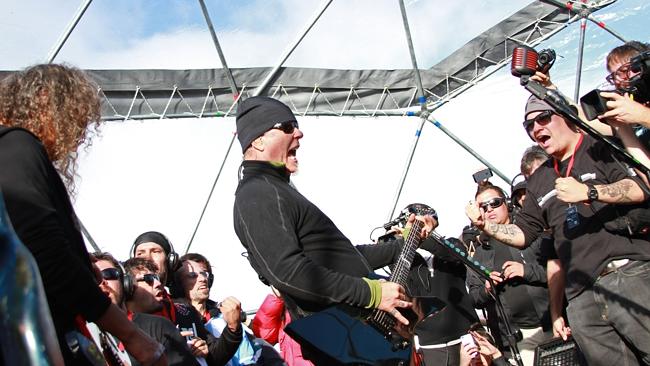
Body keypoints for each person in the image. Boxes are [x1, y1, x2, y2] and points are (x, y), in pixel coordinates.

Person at [232, 96, 436, 364]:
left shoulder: (276, 190)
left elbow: (347, 257)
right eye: (287, 126)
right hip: (348, 341)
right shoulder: (257, 193)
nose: (299, 132)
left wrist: (406, 243)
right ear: (258, 140)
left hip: (365, 336)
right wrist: (372, 294)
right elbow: (288, 272)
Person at [466, 94, 650, 365]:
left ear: (565, 116)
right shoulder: (540, 179)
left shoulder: (595, 146)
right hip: (580, 296)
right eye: (529, 126)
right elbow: (523, 234)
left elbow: (640, 188)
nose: (537, 129)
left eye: (543, 118)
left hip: (625, 274)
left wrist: (589, 191)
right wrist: (486, 226)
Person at [0, 64, 164, 365]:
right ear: (46, 102)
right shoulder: (16, 145)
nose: (78, 136)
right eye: (75, 120)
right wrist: (129, 334)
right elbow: (43, 248)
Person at [465, 182, 552, 366]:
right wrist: (487, 289)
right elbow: (474, 297)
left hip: (553, 324)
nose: (489, 209)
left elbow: (560, 271)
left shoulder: (529, 234)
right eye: (483, 207)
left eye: (494, 203)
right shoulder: (479, 253)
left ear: (506, 203)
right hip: (517, 338)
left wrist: (526, 271)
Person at [125, 257, 242, 366]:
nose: (158, 284)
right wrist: (168, 350)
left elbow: (215, 357)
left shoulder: (184, 311)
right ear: (127, 286)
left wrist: (232, 329)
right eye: (148, 279)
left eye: (156, 278)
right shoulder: (119, 328)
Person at [94, 252, 199, 366]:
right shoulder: (83, 335)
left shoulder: (158, 327)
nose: (101, 281)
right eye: (93, 277)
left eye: (109, 274)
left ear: (125, 282)